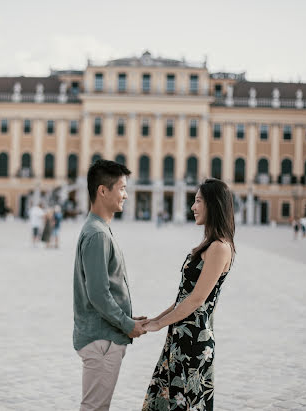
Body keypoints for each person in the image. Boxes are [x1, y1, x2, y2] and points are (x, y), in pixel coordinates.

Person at [142, 178, 235, 411]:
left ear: (214, 205)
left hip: (194, 343)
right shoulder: (208, 244)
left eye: (198, 201)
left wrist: (160, 324)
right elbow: (182, 299)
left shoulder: (220, 247)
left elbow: (197, 299)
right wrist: (154, 320)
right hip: (180, 338)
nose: (193, 207)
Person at [73, 159, 149, 411]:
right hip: (101, 340)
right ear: (102, 191)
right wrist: (127, 324)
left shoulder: (99, 230)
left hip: (103, 335)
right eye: (122, 188)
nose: (126, 195)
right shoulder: (97, 234)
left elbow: (104, 289)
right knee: (95, 408)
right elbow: (98, 293)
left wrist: (126, 317)